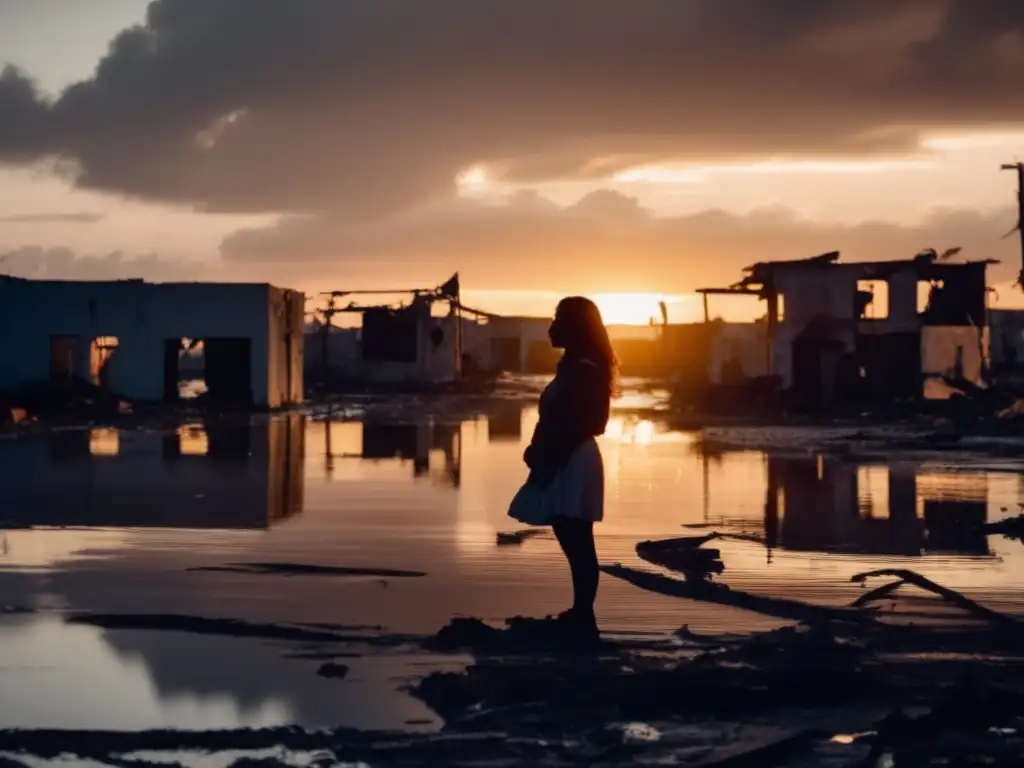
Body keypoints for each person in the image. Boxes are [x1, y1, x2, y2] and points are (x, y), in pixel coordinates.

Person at [519, 296, 616, 641]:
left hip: (573, 459)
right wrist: (538, 447)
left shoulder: (587, 368)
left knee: (579, 540)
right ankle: (580, 613)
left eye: (558, 319)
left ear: (573, 326)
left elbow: (592, 422)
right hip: (562, 456)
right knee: (570, 536)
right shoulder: (573, 366)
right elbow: (553, 416)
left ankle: (583, 616)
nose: (550, 326)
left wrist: (549, 450)